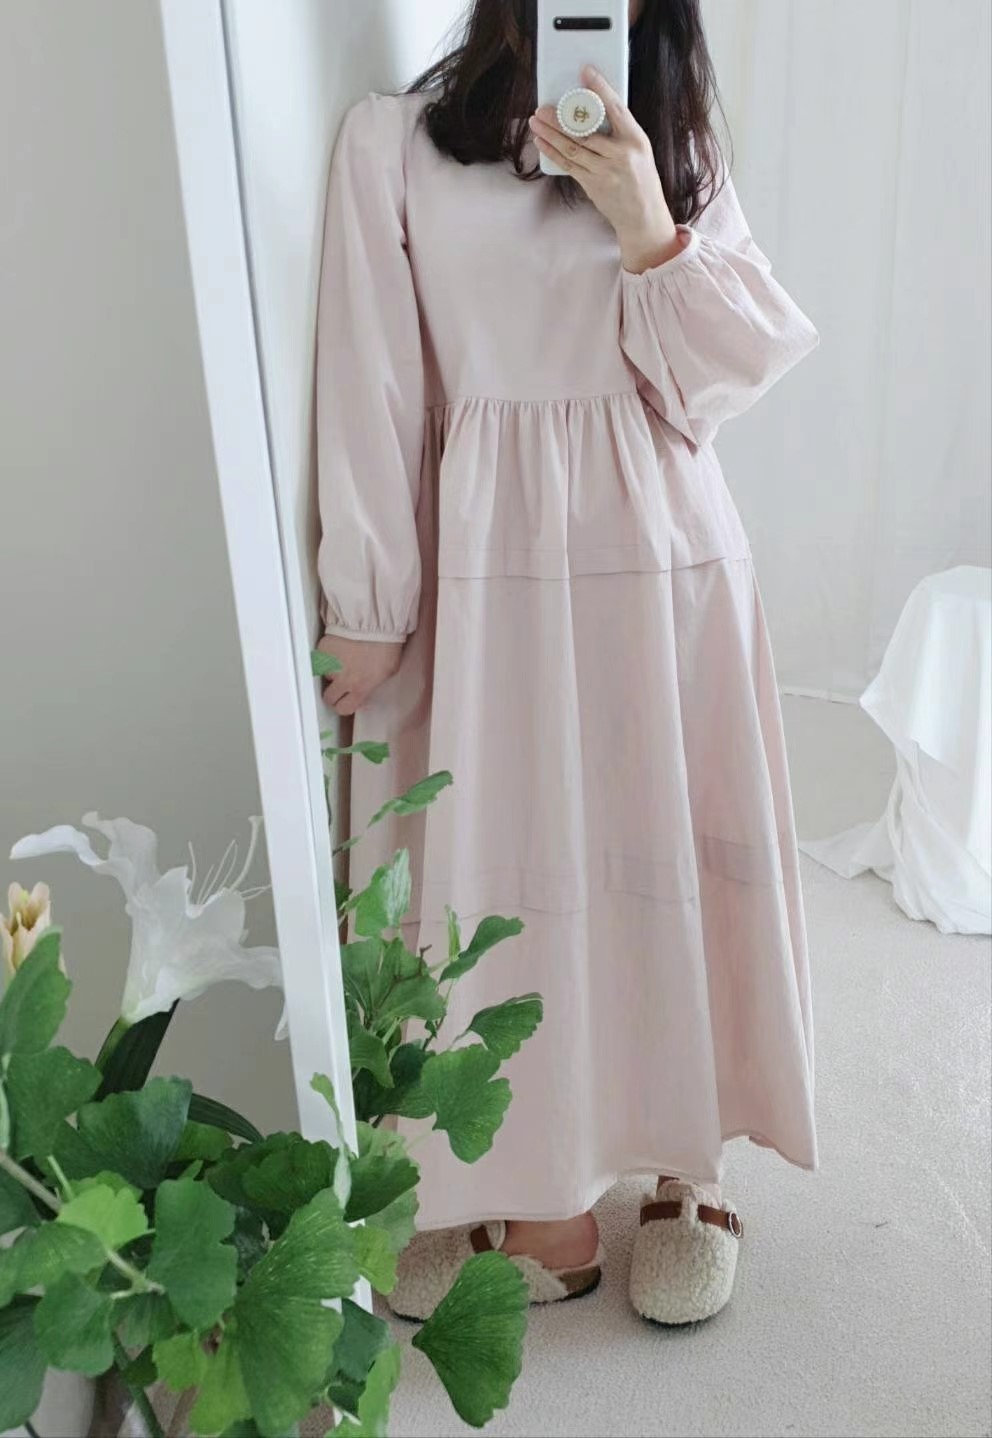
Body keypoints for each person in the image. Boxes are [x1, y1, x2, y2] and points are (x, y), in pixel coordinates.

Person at [315, 0, 818, 1327]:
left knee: (669, 854)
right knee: (523, 867)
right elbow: (369, 380)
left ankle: (689, 1170)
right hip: (491, 567)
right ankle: (542, 1182)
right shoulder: (392, 145)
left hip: (663, 558)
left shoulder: (677, 145)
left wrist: (649, 223)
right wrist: (369, 596)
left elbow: (725, 384)